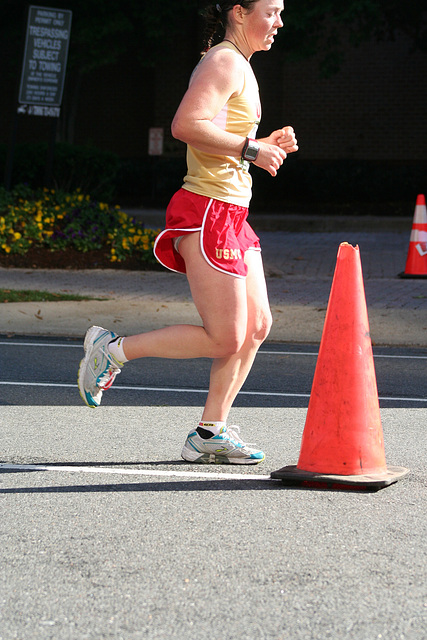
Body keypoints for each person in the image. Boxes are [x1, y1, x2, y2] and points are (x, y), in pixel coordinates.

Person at [77, 0, 298, 465]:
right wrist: (250, 147)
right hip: (207, 209)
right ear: (239, 13)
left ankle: (209, 432)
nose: (279, 22)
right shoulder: (223, 61)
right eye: (271, 11)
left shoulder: (240, 65)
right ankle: (112, 351)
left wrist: (261, 145)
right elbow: (185, 125)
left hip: (233, 211)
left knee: (257, 326)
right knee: (225, 337)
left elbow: (219, 136)